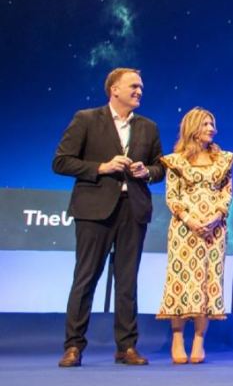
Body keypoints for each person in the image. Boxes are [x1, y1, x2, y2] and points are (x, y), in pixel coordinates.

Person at [52, 67, 165, 367]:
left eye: (141, 87)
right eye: (133, 86)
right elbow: (61, 162)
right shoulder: (86, 119)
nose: (139, 91)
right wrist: (101, 167)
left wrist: (146, 171)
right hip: (94, 210)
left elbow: (160, 168)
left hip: (133, 210)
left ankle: (126, 347)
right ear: (114, 89)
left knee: (127, 281)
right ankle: (73, 346)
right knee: (86, 277)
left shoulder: (148, 127)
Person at [156, 108, 233, 364]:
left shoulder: (223, 160)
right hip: (184, 229)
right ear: (192, 128)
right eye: (205, 124)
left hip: (214, 229)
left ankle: (199, 340)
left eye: (212, 124)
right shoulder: (176, 161)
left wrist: (215, 218)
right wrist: (190, 220)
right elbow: (172, 196)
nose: (211, 128)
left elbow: (226, 194)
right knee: (181, 279)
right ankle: (178, 338)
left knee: (207, 281)